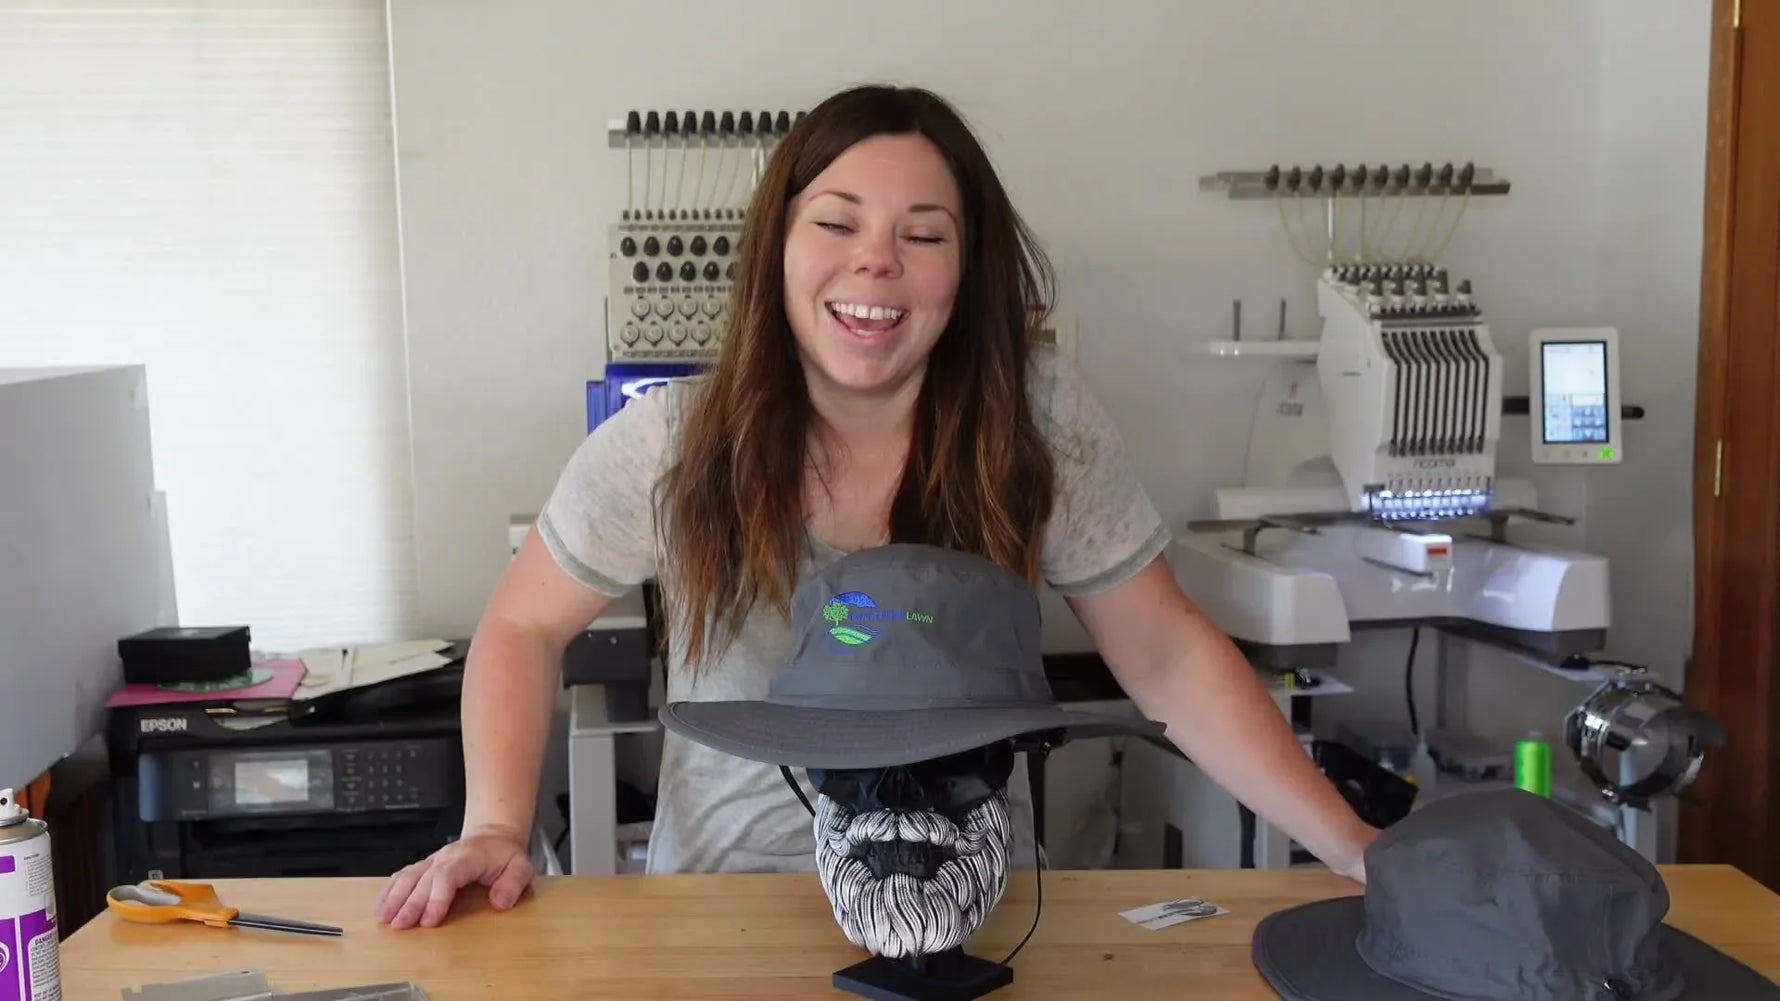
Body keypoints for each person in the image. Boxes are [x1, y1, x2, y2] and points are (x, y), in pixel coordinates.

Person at [375, 83, 1378, 930]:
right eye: (838, 221)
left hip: (970, 924)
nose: (876, 261)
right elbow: (519, 621)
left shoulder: (1039, 425)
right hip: (722, 924)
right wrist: (496, 826)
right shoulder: (676, 441)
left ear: (965, 268)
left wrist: (1351, 842)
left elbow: (1163, 652)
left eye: (922, 233)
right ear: (780, 244)